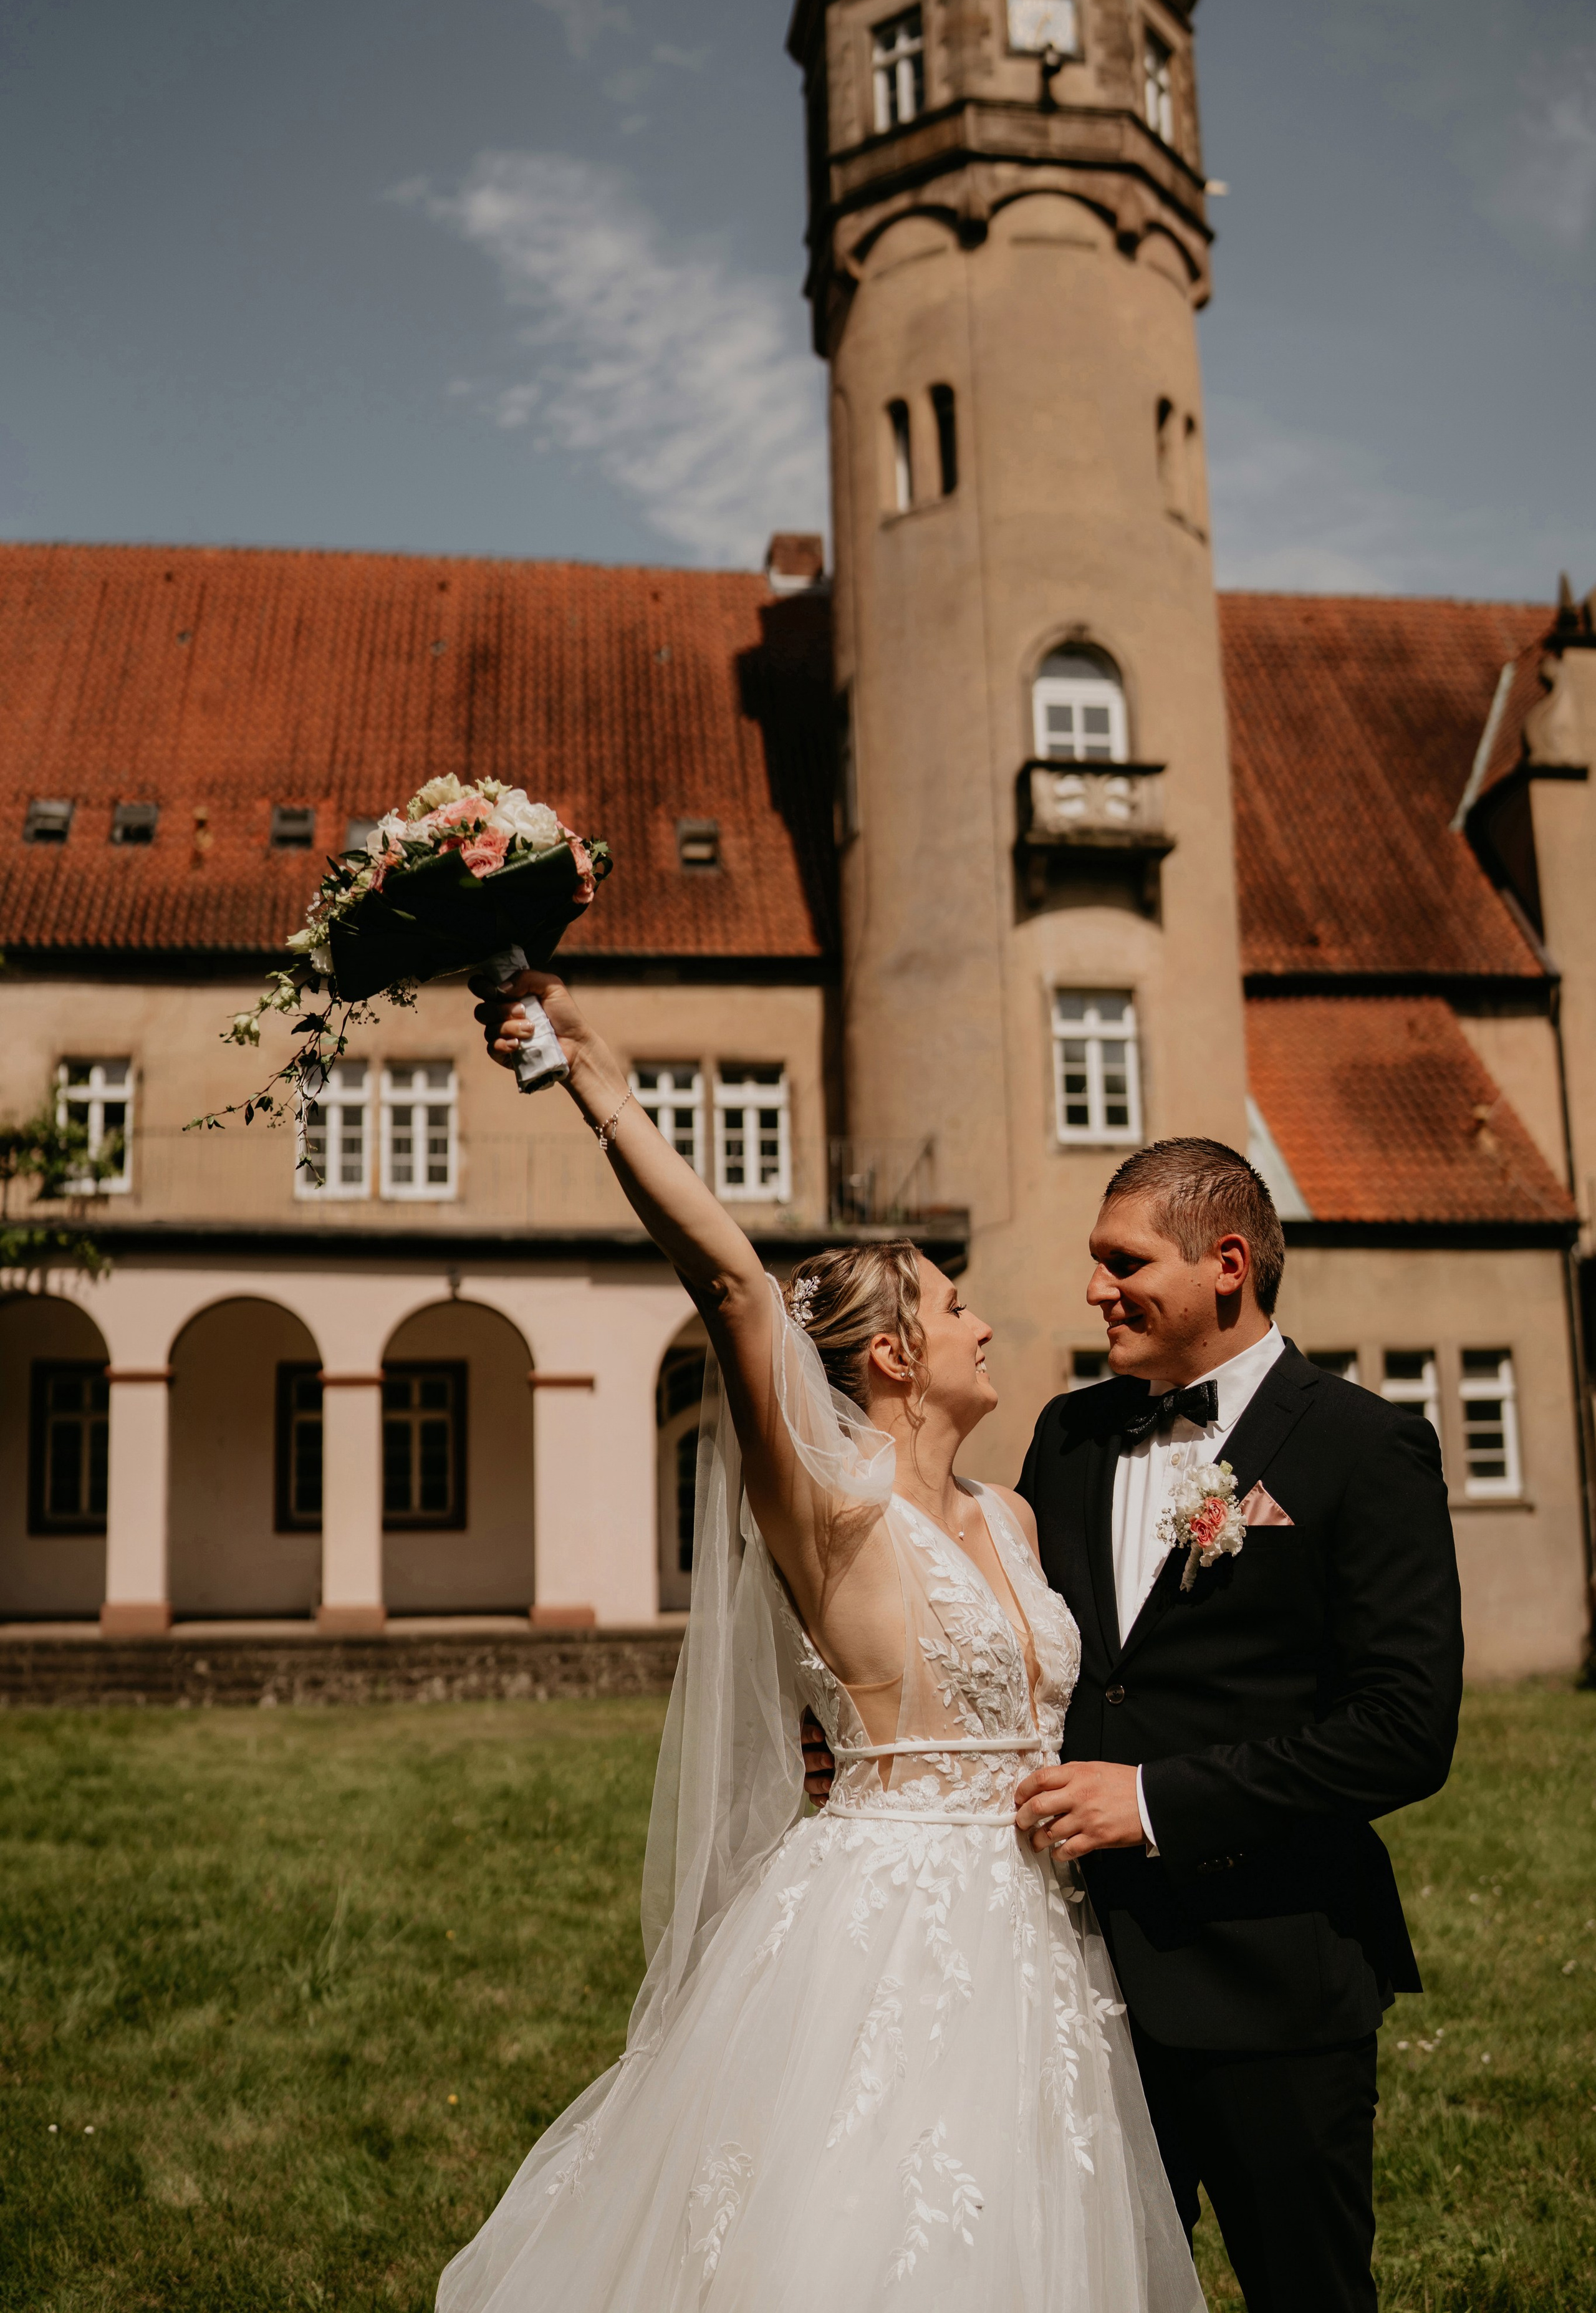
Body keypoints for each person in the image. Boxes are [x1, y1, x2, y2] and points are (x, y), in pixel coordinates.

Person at [439, 968, 1203, 2313]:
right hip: (883, 1927)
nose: (979, 1320)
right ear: (894, 1357)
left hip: (1036, 1931)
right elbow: (734, 1288)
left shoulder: (1015, 1515)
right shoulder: (828, 1515)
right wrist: (595, 1082)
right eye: (950, 1303)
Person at [809, 1138, 1464, 2313]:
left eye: (1123, 1262)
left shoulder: (1366, 1449)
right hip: (1067, 1979)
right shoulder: (1067, 1434)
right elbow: (1009, 1634)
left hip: (1273, 1974)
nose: (1094, 1289)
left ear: (1226, 1264)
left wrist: (1156, 1801)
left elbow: (1404, 1730)